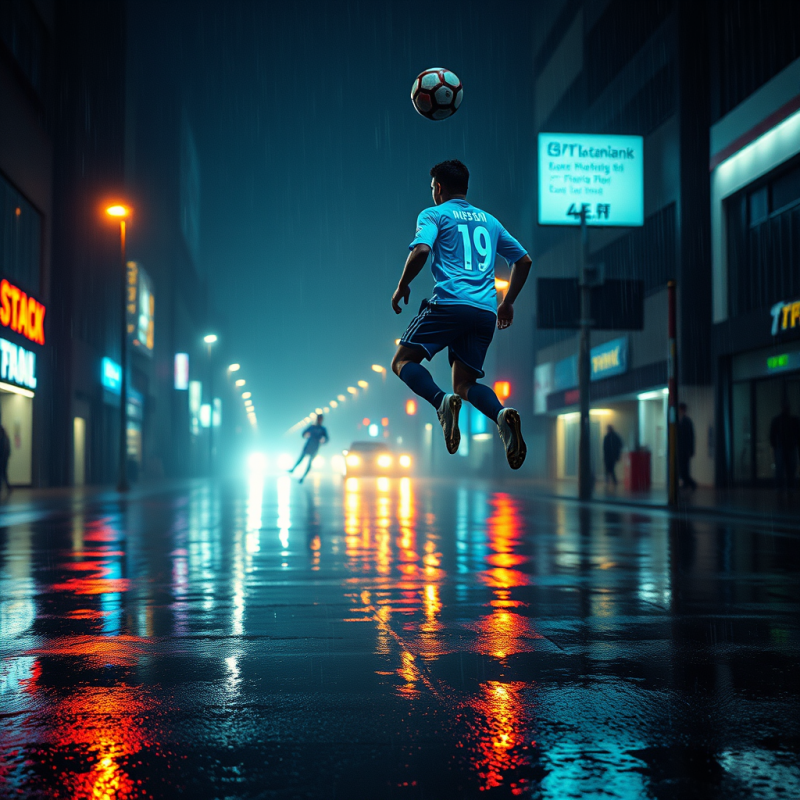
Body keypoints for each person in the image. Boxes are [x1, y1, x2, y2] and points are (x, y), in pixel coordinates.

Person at [390, 160, 532, 469]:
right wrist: (507, 302)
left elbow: (422, 250)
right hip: (483, 313)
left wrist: (402, 285)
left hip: (450, 304)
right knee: (465, 384)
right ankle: (500, 415)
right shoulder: (490, 221)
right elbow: (524, 260)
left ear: (438, 188)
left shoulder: (434, 214)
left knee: (402, 361)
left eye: (432, 188)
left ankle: (441, 402)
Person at [289, 414, 328, 483]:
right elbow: (303, 433)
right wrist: (305, 435)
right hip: (309, 444)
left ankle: (303, 477)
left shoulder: (322, 429)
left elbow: (327, 438)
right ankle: (293, 469)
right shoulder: (312, 427)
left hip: (315, 447)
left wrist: (323, 441)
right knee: (301, 458)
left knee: (309, 463)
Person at [769, 402, 800, 490]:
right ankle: (786, 486)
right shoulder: (793, 420)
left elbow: (772, 435)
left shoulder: (778, 420)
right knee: (786, 468)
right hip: (784, 447)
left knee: (784, 468)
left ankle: (783, 487)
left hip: (784, 447)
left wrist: (774, 445)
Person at [677, 402, 697, 490]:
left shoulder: (687, 421)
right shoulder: (680, 421)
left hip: (685, 450)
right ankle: (687, 483)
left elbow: (690, 436)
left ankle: (691, 484)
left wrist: (691, 450)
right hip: (681, 450)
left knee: (684, 468)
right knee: (682, 469)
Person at [0, 416, 11, 499]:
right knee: (3, 473)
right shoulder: (5, 439)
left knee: (2, 473)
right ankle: (8, 487)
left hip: (2, 459)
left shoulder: (3, 439)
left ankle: (7, 487)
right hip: (4, 459)